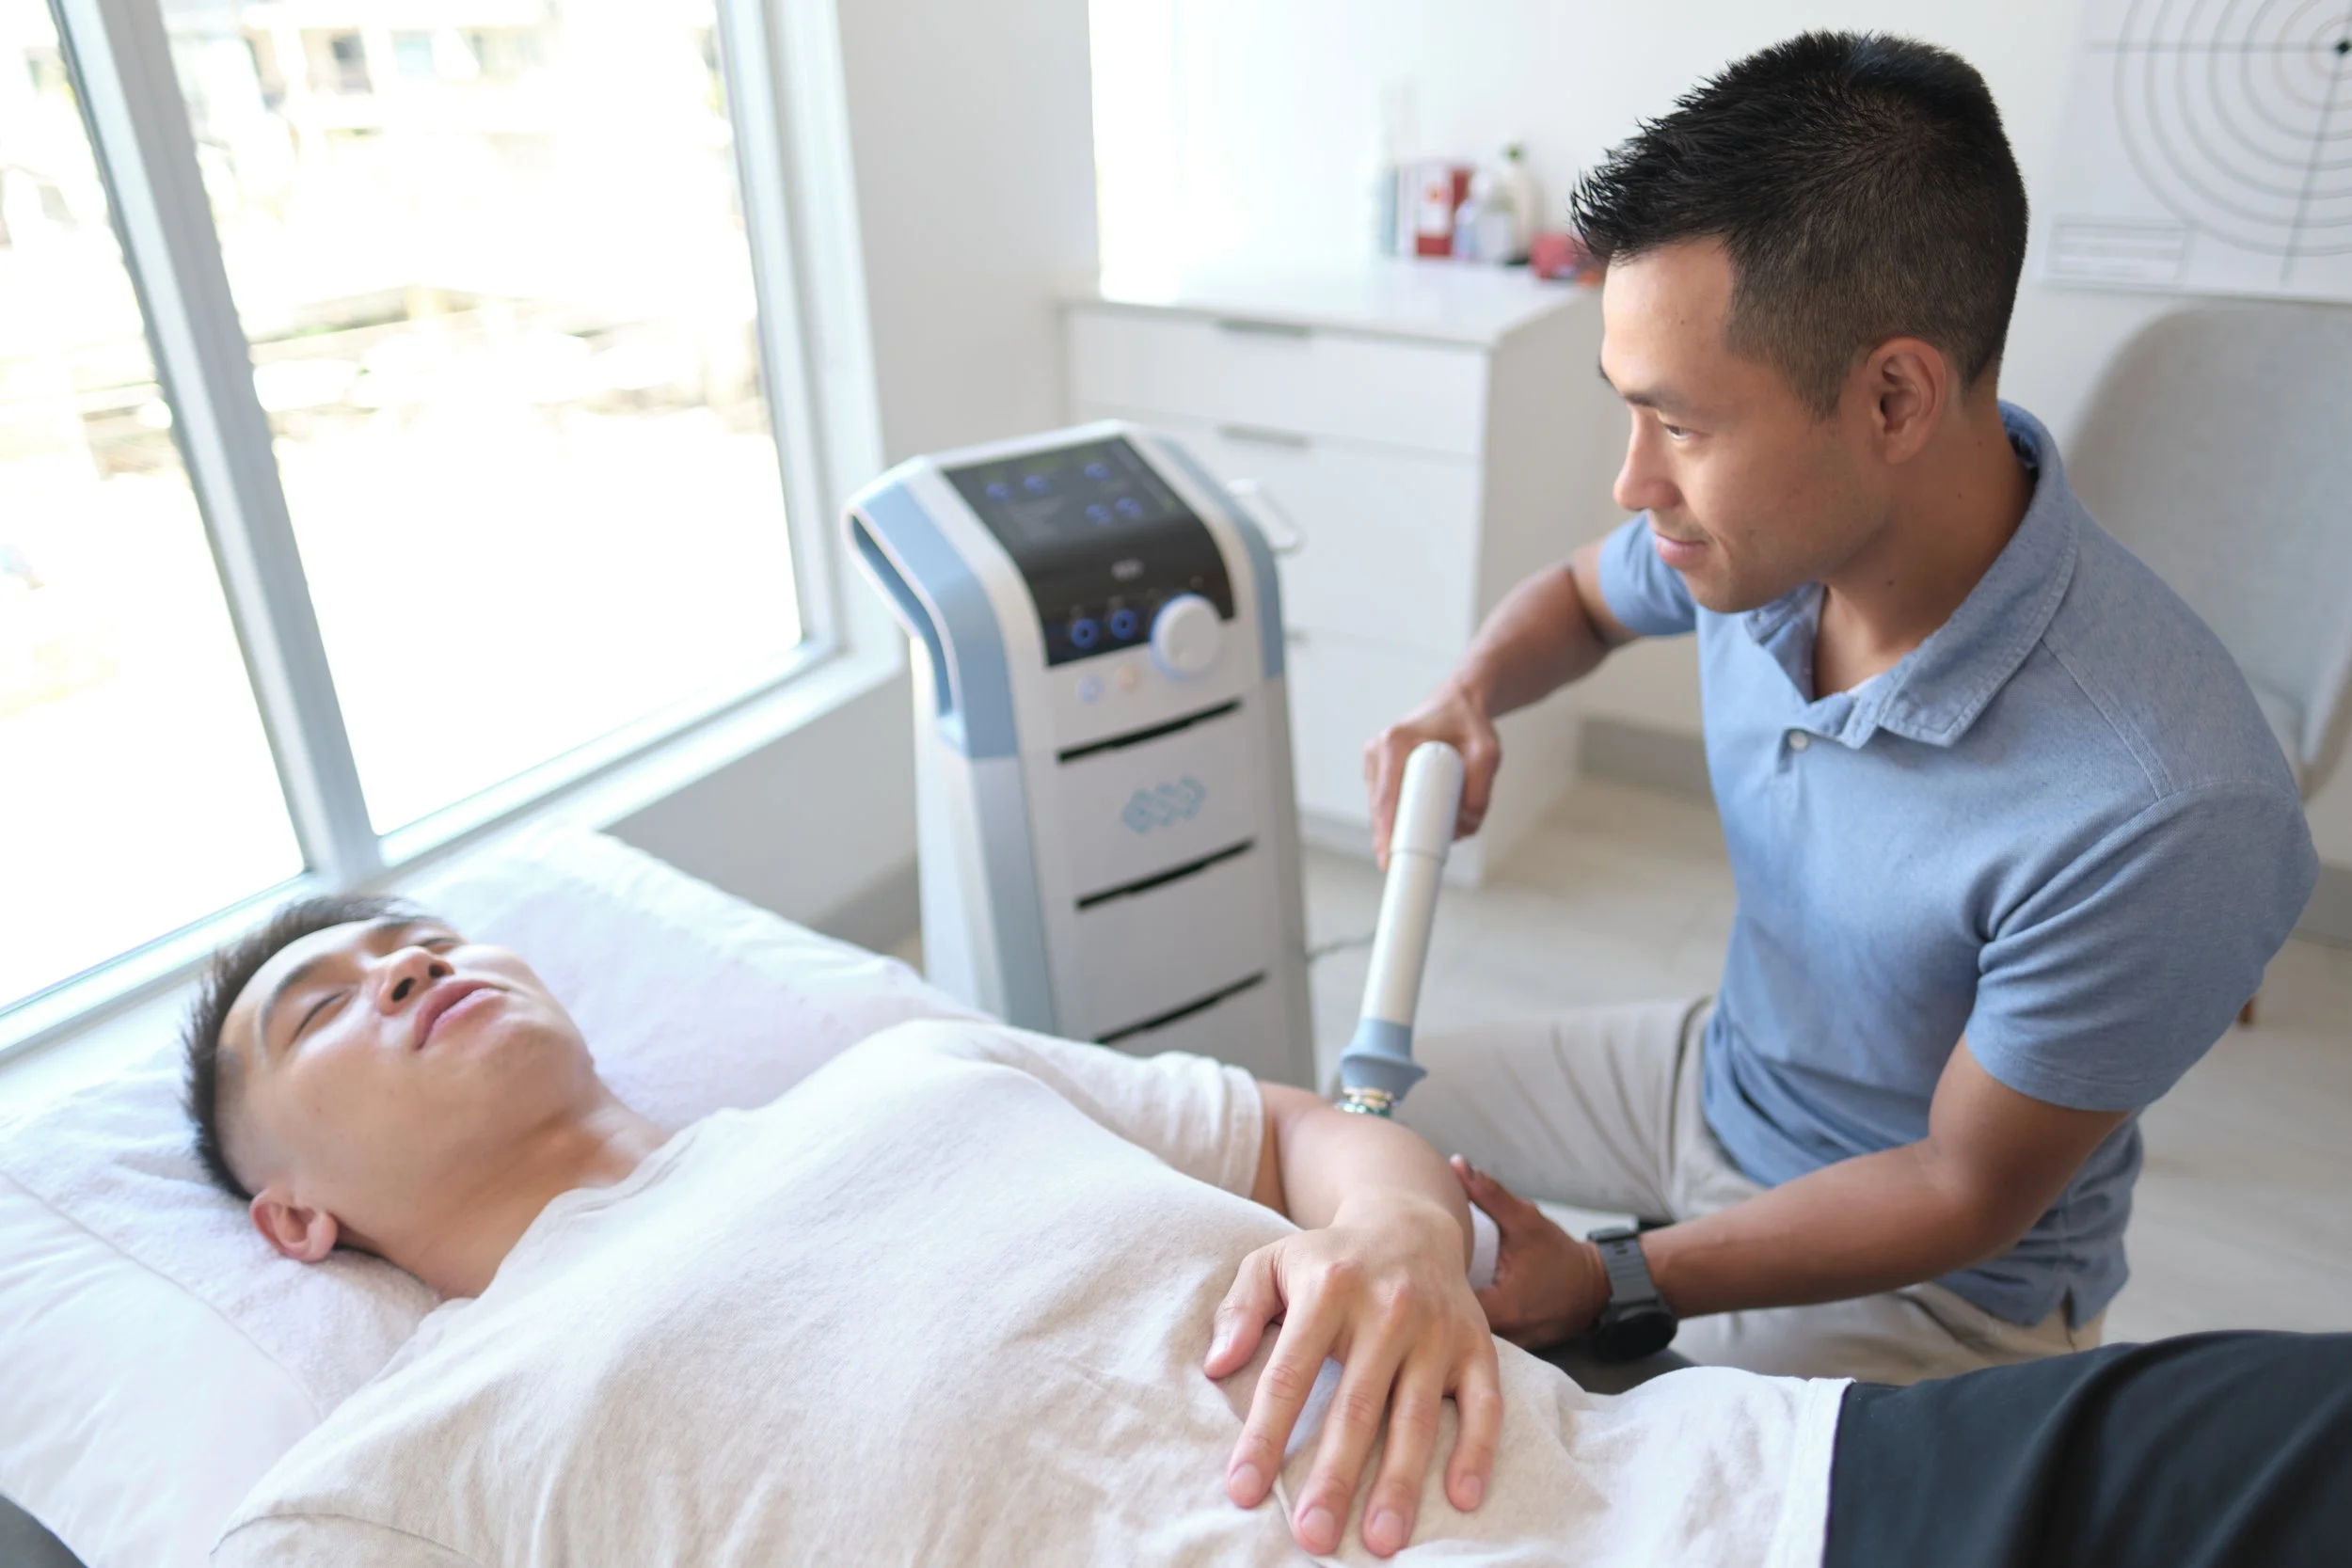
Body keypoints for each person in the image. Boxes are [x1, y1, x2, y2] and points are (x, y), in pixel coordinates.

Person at [184, 897, 2352, 1567]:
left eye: (414, 937)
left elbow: (1317, 1127)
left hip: (1747, 1496)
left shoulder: (898, 1075)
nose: (398, 968)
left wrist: (1404, 1239)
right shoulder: (403, 1461)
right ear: (296, 1213)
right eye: (325, 999)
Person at [1362, 31, 2320, 1386]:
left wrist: (1621, 1275)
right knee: (1333, 1136)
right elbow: (1580, 602)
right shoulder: (1755, 548)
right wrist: (1464, 697)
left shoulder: (2164, 804)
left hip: (1937, 1286)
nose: (1635, 484)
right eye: (1625, 413)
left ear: (1892, 397)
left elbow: (1956, 1188)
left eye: (1677, 424)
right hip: (1721, 1071)